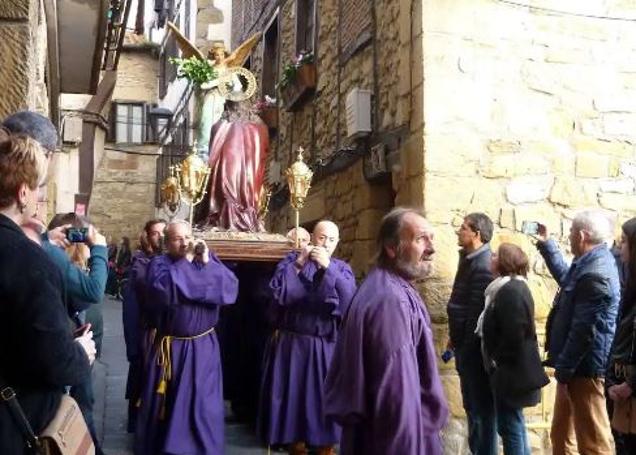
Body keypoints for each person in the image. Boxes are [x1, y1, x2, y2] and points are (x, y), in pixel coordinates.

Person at [0, 131, 96, 454]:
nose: (40, 197)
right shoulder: (28, 260)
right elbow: (56, 361)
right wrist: (82, 352)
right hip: (12, 426)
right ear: (23, 192)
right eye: (39, 188)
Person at [325, 207, 448, 454]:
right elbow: (397, 400)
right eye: (420, 239)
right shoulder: (391, 302)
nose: (431, 248)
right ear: (392, 248)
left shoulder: (390, 289)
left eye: (431, 238)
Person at [134, 220, 238, 455]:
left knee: (204, 403)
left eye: (188, 236)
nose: (185, 243)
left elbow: (230, 288)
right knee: (170, 406)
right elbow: (161, 293)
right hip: (172, 350)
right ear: (166, 242)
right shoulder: (159, 265)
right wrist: (188, 263)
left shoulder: (209, 260)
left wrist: (207, 263)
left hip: (203, 347)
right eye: (177, 239)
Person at [258, 220, 356, 455]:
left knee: (323, 394)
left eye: (332, 240)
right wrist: (300, 264)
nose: (327, 244)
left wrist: (328, 269)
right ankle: (294, 439)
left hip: (324, 343)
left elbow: (349, 300)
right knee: (294, 393)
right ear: (313, 238)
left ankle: (324, 443)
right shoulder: (291, 262)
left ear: (338, 242)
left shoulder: (342, 268)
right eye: (322, 238)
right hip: (293, 342)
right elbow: (278, 295)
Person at [536, 210, 619, 455]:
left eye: (571, 232)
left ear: (582, 235)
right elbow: (567, 279)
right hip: (573, 368)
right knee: (562, 436)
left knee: (593, 443)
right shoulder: (586, 263)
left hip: (585, 370)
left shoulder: (596, 271)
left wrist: (564, 371)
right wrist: (548, 246)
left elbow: (584, 331)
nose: (569, 236)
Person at [478, 243, 549, 455]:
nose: (491, 259)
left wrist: (496, 361)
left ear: (504, 262)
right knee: (512, 423)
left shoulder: (511, 290)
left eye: (495, 256)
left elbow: (514, 334)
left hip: (511, 372)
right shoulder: (506, 287)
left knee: (510, 426)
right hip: (509, 370)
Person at [447, 212, 497, 455]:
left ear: (476, 233)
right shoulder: (469, 259)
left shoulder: (483, 265)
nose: (459, 231)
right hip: (464, 349)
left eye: (463, 227)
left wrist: (465, 351)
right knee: (474, 410)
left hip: (475, 355)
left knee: (481, 413)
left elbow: (476, 317)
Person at [122, 219, 166, 432]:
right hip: (147, 335)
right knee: (143, 380)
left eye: (164, 232)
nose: (160, 237)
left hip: (168, 339)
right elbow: (131, 310)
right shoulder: (140, 265)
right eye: (156, 233)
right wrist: (133, 347)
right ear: (148, 237)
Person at [606, 217, 636, 453]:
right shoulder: (630, 283)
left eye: (624, 242)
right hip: (621, 383)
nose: (619, 247)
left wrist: (631, 384)